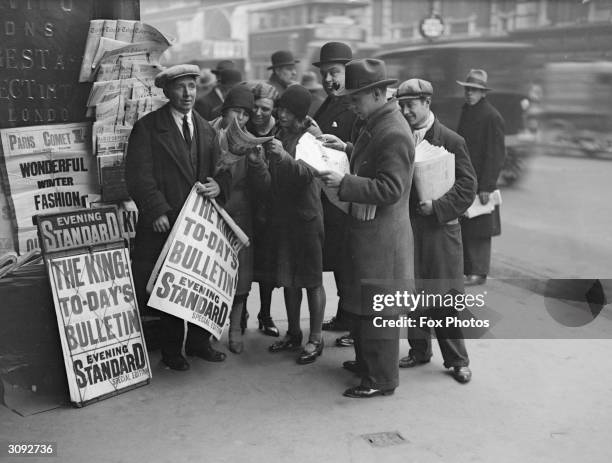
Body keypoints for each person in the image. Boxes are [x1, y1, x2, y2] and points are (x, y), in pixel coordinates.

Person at [319, 59, 414, 398]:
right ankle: (367, 365)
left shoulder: (393, 131)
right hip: (369, 233)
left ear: (377, 93)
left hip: (382, 239)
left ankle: (381, 379)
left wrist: (346, 182)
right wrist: (343, 148)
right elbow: (371, 160)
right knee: (365, 306)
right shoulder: (377, 122)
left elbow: (392, 188)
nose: (351, 104)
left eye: (356, 98)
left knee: (379, 311)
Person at [126, 64, 227, 371]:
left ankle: (198, 342)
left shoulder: (206, 129)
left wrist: (218, 185)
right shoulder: (148, 127)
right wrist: (155, 208)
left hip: (198, 224)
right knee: (168, 286)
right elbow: (137, 175)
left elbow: (219, 171)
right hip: (165, 222)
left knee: (198, 282)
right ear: (167, 91)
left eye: (192, 87)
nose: (187, 94)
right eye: (181, 87)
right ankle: (172, 350)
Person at [396, 78, 476, 384]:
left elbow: (468, 186)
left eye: (411, 105)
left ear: (427, 103)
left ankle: (457, 359)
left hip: (442, 230)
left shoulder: (452, 140)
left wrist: (439, 206)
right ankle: (419, 350)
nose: (405, 112)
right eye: (401, 106)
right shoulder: (402, 136)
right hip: (411, 227)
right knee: (415, 292)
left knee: (444, 297)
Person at [266, 85, 326, 365]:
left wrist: (282, 157)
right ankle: (293, 333)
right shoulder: (281, 133)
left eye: (288, 111)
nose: (281, 114)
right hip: (287, 216)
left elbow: (307, 173)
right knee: (289, 280)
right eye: (281, 109)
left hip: (306, 218)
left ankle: (316, 338)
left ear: (301, 116)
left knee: (312, 280)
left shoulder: (309, 137)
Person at [210, 84, 272, 354]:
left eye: (246, 115)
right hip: (211, 215)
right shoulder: (206, 133)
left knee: (240, 280)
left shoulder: (251, 142)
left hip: (240, 218)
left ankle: (235, 330)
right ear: (225, 111)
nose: (242, 119)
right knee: (210, 277)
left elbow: (264, 187)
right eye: (237, 112)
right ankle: (209, 329)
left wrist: (258, 164)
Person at [313, 41, 358, 346]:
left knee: (351, 264)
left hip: (349, 196)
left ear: (348, 73)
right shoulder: (328, 103)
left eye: (334, 73)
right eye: (325, 74)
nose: (328, 80)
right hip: (331, 196)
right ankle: (345, 315)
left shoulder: (355, 105)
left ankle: (356, 324)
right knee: (341, 262)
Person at [456, 69, 506, 286]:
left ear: (483, 93)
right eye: (468, 90)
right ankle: (470, 271)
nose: (470, 94)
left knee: (480, 230)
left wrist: (487, 186)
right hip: (467, 179)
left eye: (474, 91)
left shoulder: (492, 116)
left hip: (481, 183)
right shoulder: (468, 111)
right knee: (468, 226)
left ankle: (478, 273)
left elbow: (496, 155)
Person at [245, 82, 281, 337]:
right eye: (254, 108)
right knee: (245, 264)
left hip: (272, 206)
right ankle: (242, 311)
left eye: (264, 109)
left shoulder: (280, 130)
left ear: (274, 110)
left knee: (268, 265)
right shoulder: (243, 128)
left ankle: (265, 314)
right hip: (246, 203)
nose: (258, 113)